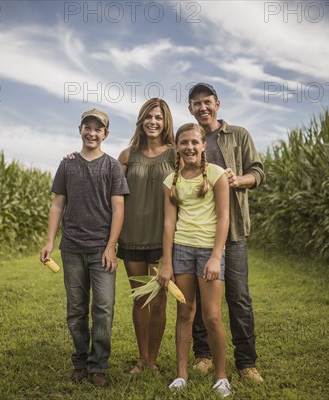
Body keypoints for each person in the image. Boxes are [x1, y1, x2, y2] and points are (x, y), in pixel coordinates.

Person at [40, 108, 130, 388]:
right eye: (87, 127)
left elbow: (118, 208)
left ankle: (98, 364)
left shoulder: (113, 166)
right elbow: (57, 204)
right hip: (72, 249)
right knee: (76, 309)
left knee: (103, 308)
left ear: (106, 133)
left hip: (101, 249)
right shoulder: (67, 165)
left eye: (98, 129)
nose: (92, 133)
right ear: (80, 129)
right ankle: (81, 360)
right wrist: (50, 241)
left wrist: (111, 246)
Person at [187, 83, 265, 383]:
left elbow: (258, 171)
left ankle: (246, 362)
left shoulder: (239, 135)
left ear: (218, 104)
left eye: (208, 102)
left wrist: (238, 180)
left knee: (238, 298)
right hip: (195, 233)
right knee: (196, 301)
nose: (203, 108)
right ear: (190, 109)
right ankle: (203, 356)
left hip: (232, 233)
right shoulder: (185, 138)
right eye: (197, 104)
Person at [157, 123, 232, 397]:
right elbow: (168, 222)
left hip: (208, 252)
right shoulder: (170, 181)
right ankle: (181, 375)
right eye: (184, 142)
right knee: (185, 314)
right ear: (177, 147)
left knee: (211, 316)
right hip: (181, 250)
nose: (189, 147)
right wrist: (167, 262)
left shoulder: (216, 175)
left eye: (194, 142)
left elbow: (224, 216)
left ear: (204, 146)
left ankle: (221, 377)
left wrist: (215, 256)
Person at [117, 98, 176, 374]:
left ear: (166, 123)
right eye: (148, 116)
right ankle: (142, 359)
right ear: (141, 120)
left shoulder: (175, 155)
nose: (153, 122)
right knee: (139, 298)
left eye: (159, 117)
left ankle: (153, 360)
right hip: (131, 237)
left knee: (159, 300)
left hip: (162, 239)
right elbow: (110, 191)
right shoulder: (127, 156)